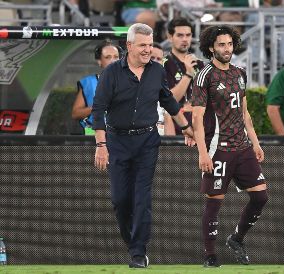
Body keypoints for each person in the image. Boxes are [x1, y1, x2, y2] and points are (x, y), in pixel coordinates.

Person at [91, 23, 194, 268]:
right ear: (129, 46)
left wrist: (186, 128)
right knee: (120, 200)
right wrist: (101, 145)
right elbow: (98, 110)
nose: (148, 50)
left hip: (147, 141)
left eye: (150, 45)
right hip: (117, 141)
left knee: (142, 199)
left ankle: (138, 253)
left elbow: (168, 101)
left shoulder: (157, 71)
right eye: (142, 45)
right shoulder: (112, 72)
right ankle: (131, 242)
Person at [191, 25, 268, 267]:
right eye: (221, 44)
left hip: (242, 147)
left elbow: (245, 113)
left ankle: (236, 238)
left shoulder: (240, 73)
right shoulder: (205, 75)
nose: (226, 49)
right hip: (218, 147)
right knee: (214, 201)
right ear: (211, 47)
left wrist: (255, 143)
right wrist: (203, 153)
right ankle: (210, 256)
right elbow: (196, 119)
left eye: (229, 44)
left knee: (261, 196)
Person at [163, 18, 205, 135]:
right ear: (170, 37)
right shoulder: (164, 64)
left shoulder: (199, 64)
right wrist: (188, 74)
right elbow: (169, 100)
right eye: (180, 35)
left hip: (199, 128)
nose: (185, 39)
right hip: (175, 130)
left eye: (188, 35)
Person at [71, 39, 121, 135]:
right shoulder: (89, 82)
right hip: (94, 138)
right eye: (108, 57)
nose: (113, 61)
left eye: (116, 57)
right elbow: (75, 114)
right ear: (99, 61)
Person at [150, 42, 175, 135]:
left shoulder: (164, 88)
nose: (156, 61)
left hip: (161, 144)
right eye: (152, 58)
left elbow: (171, 138)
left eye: (159, 59)